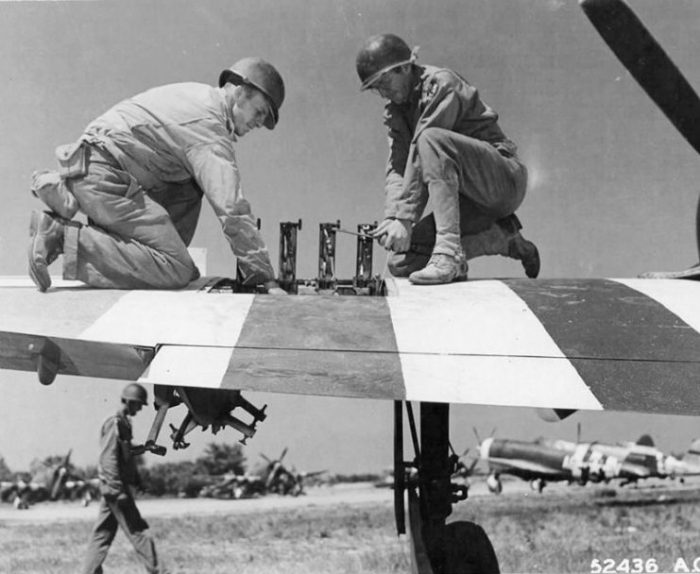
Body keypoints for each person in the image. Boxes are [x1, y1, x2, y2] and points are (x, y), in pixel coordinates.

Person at [28, 58, 286, 294]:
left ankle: (80, 207)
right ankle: (60, 236)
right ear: (240, 91)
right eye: (260, 112)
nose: (259, 123)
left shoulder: (199, 97)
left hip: (98, 168)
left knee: (183, 239)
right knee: (175, 269)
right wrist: (264, 278)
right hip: (106, 175)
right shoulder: (210, 128)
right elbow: (231, 208)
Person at [356, 34, 540, 285]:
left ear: (405, 67)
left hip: (502, 180)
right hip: (469, 202)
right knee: (401, 262)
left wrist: (405, 218)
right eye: (376, 88)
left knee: (431, 139)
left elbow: (425, 150)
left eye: (384, 81)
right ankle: (501, 238)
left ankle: (450, 252)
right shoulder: (396, 111)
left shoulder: (441, 84)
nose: (382, 92)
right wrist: (392, 217)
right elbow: (398, 166)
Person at [82, 383, 166, 574]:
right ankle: (160, 571)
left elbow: (126, 456)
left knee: (101, 535)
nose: (140, 408)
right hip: (116, 489)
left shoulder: (123, 423)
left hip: (114, 488)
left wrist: (137, 479)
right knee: (139, 531)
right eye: (138, 404)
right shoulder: (115, 422)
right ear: (129, 401)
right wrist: (117, 489)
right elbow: (109, 458)